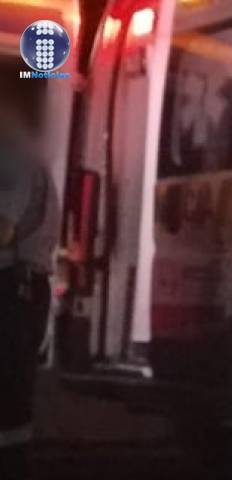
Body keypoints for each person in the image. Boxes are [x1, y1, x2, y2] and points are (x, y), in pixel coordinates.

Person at [0, 90, 60, 479]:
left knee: (8, 395)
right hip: (17, 287)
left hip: (12, 289)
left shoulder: (12, 156)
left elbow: (2, 229)